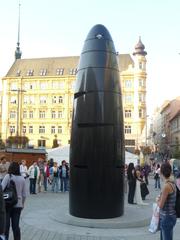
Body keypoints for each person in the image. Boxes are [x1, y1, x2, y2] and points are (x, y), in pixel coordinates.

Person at [1, 162, 26, 240]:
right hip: (18, 204)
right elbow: (24, 194)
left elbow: (1, 189)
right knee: (16, 226)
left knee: (6, 226)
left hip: (8, 204)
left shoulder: (8, 176)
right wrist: (22, 204)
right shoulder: (22, 179)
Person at [157, 162, 177, 240]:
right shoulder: (172, 183)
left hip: (166, 217)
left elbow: (161, 205)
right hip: (171, 215)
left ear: (162, 172)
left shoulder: (166, 186)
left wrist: (157, 200)